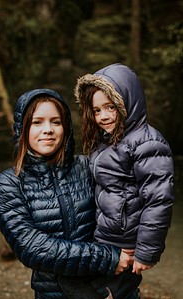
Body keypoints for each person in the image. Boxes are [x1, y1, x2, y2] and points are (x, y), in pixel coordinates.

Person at [0, 88, 141, 299]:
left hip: (115, 289)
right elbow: (32, 248)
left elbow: (124, 209)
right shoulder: (8, 184)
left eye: (56, 122)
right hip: (57, 293)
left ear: (66, 128)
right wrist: (108, 258)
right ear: (22, 128)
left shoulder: (87, 166)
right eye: (37, 122)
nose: (47, 130)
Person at [73, 63, 174, 276]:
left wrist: (146, 251)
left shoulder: (147, 143)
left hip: (126, 241)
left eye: (111, 107)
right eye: (97, 110)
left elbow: (158, 201)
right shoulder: (106, 141)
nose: (103, 116)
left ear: (128, 102)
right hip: (105, 237)